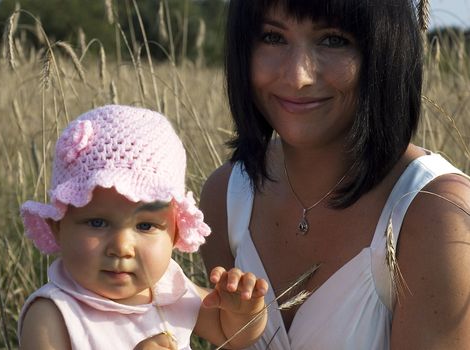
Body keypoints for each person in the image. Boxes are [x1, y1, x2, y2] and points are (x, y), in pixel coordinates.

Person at [200, 1, 470, 349]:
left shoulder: (440, 214)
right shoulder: (226, 196)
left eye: (333, 40)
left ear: (386, 49)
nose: (297, 76)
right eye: (272, 37)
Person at [18, 105, 269, 350]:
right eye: (97, 223)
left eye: (146, 225)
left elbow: (230, 335)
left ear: (175, 232)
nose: (121, 247)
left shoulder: (168, 288)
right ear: (57, 227)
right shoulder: (53, 315)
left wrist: (244, 311)